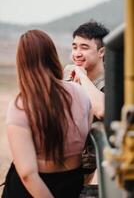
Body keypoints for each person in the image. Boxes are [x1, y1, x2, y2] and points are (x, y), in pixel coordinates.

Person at [2, 30, 93, 198]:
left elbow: (28, 175)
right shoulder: (80, 93)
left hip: (32, 191)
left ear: (22, 62)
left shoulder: (21, 105)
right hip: (71, 184)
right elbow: (85, 144)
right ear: (52, 55)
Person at [64, 20, 109, 184]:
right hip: (63, 160)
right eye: (74, 47)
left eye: (84, 47)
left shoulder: (110, 82)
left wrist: (82, 76)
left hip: (86, 164)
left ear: (101, 52)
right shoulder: (68, 74)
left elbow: (102, 110)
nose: (77, 53)